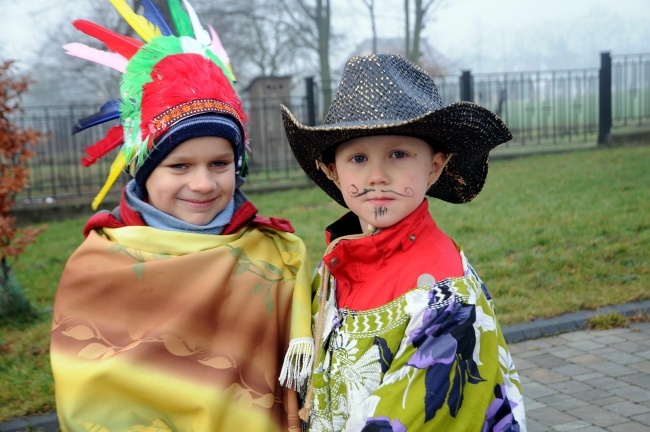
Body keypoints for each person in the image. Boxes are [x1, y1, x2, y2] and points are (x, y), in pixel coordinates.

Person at [50, 2, 313, 431]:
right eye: (180, 166)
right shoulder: (97, 266)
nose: (204, 184)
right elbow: (92, 395)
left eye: (220, 164)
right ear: (145, 170)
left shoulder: (276, 257)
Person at [281, 54, 526, 431]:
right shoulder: (331, 269)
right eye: (358, 157)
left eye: (398, 154)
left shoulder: (447, 295)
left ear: (434, 166)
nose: (377, 175)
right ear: (332, 171)